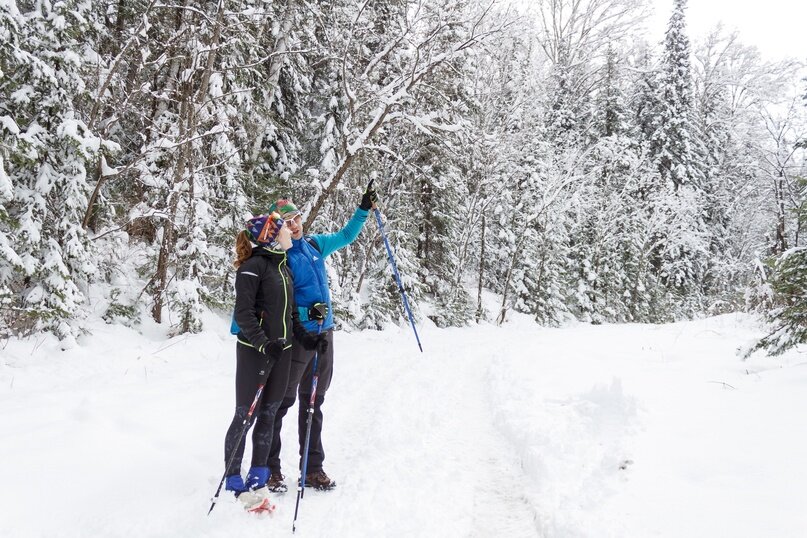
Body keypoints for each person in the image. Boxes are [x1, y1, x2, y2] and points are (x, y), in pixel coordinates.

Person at [266, 181, 377, 492]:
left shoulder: (315, 245)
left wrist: (363, 208)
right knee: (283, 401)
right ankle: (270, 468)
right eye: (287, 222)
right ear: (278, 229)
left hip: (324, 333)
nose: (295, 224)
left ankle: (312, 468)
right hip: (299, 337)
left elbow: (345, 236)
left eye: (297, 218)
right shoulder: (278, 258)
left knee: (314, 400)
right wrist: (305, 314)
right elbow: (280, 303)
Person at [223, 212, 328, 512]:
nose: (288, 231)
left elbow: (290, 315)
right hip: (254, 352)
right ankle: (232, 475)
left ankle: (259, 471)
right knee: (245, 414)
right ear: (270, 234)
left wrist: (307, 339)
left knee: (269, 412)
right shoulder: (252, 268)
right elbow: (243, 315)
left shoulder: (284, 268)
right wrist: (263, 344)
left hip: (281, 351)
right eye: (283, 227)